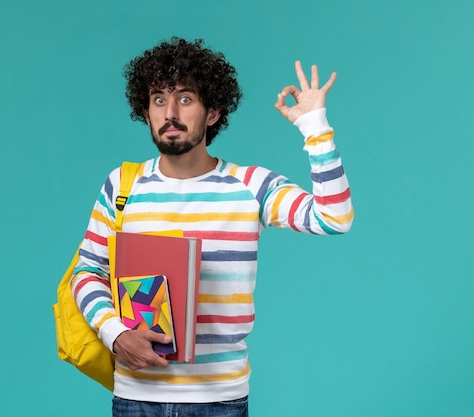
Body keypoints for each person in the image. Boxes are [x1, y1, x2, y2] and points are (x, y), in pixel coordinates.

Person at [72, 37, 353, 417]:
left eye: (185, 99)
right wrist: (115, 334)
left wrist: (315, 128)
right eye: (159, 99)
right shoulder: (122, 186)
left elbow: (334, 217)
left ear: (213, 112)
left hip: (219, 401)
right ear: (147, 110)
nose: (170, 112)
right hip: (135, 398)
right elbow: (87, 272)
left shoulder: (252, 186)